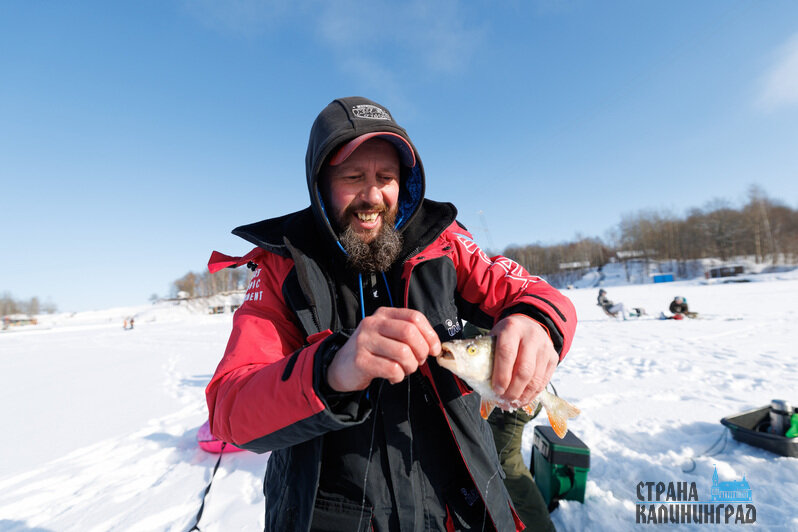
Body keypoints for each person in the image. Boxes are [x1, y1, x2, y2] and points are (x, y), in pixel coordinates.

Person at [205, 96, 577, 531]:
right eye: (352, 176)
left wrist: (536, 322)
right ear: (320, 183)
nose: (372, 195)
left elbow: (530, 291)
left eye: (386, 177)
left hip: (458, 511)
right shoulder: (282, 268)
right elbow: (230, 409)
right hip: (329, 517)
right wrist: (331, 369)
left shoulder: (445, 244)